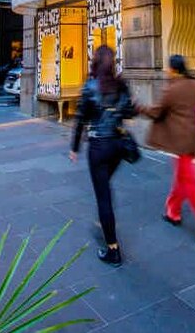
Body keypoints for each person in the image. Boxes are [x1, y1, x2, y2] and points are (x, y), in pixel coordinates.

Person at [139, 54, 195, 249]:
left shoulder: (174, 88)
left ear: (173, 69)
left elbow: (157, 112)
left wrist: (138, 107)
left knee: (194, 187)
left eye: (169, 68)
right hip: (194, 140)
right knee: (182, 178)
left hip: (181, 143)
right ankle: (173, 211)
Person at [69, 46, 135, 266]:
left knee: (103, 196)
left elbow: (80, 118)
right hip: (117, 145)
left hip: (98, 146)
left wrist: (74, 148)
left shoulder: (90, 86)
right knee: (105, 184)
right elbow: (129, 112)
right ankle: (104, 221)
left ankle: (112, 249)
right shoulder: (120, 84)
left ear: (95, 62)